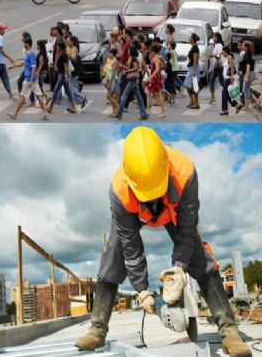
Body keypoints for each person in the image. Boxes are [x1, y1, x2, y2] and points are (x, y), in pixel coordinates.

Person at [74, 127, 253, 357]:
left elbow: (187, 231)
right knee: (113, 255)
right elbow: (131, 245)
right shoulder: (119, 190)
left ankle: (230, 332)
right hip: (134, 212)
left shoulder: (184, 172)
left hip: (172, 210)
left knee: (200, 257)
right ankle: (97, 329)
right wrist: (142, 290)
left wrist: (178, 269)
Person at [6, 37, 50, 120]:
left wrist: (30, 80)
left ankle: (15, 114)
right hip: (32, 79)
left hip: (29, 79)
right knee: (39, 95)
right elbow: (23, 63)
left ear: (27, 44)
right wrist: (13, 66)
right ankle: (45, 113)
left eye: (24, 43)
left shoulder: (31, 54)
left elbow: (34, 67)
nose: (23, 45)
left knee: (22, 96)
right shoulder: (28, 53)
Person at [115, 46, 148, 120]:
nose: (128, 51)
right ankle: (144, 115)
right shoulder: (130, 58)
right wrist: (124, 67)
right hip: (133, 79)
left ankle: (119, 113)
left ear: (132, 51)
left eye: (129, 50)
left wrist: (128, 71)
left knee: (124, 95)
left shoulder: (133, 58)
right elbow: (129, 67)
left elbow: (136, 68)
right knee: (139, 97)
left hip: (133, 79)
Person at [47, 38, 76, 114]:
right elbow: (55, 62)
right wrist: (55, 66)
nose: (57, 47)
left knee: (56, 89)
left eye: (58, 46)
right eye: (57, 46)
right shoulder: (57, 53)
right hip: (59, 74)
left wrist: (66, 76)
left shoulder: (64, 55)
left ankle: (50, 107)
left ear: (61, 47)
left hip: (63, 75)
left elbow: (65, 66)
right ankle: (74, 106)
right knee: (68, 91)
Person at [220, 45, 241, 115]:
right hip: (226, 78)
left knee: (224, 93)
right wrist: (220, 56)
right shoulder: (225, 58)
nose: (222, 52)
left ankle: (225, 110)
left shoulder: (229, 57)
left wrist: (232, 78)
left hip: (229, 78)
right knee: (226, 94)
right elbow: (220, 65)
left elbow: (232, 67)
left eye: (222, 51)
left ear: (225, 51)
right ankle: (236, 105)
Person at [69, 36, 87, 110]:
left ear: (72, 42)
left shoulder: (74, 48)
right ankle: (79, 100)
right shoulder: (74, 48)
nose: (68, 42)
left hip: (73, 70)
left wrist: (67, 54)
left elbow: (73, 57)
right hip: (73, 70)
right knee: (72, 87)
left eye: (69, 41)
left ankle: (82, 98)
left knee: (71, 88)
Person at [241, 40, 258, 112]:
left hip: (249, 73)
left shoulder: (248, 55)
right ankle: (256, 101)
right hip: (250, 73)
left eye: (243, 45)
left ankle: (246, 106)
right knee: (245, 89)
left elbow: (248, 66)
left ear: (246, 47)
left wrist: (246, 76)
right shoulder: (247, 54)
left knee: (245, 90)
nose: (242, 46)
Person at [185, 33, 201, 109]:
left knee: (195, 86)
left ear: (193, 39)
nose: (188, 39)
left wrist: (194, 70)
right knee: (188, 85)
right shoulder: (193, 47)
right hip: (190, 68)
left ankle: (196, 103)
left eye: (190, 37)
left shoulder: (195, 48)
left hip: (193, 69)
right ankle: (192, 100)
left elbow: (195, 60)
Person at [104, 48, 120, 117]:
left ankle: (119, 108)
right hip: (111, 80)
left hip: (113, 80)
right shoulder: (112, 61)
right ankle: (114, 112)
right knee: (112, 97)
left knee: (109, 96)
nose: (108, 54)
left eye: (109, 53)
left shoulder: (115, 61)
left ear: (112, 53)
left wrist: (110, 83)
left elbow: (113, 73)